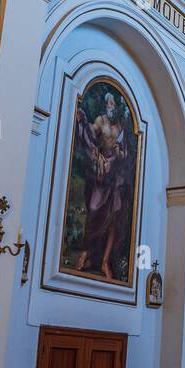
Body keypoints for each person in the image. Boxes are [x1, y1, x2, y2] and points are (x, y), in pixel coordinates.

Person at [69, 91, 131, 279]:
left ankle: (104, 261)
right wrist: (82, 119)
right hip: (100, 175)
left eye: (114, 103)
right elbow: (89, 136)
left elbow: (125, 154)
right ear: (106, 105)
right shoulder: (101, 121)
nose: (112, 106)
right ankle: (87, 252)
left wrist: (119, 155)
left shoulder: (120, 126)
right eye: (110, 103)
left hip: (115, 178)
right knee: (94, 211)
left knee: (114, 217)